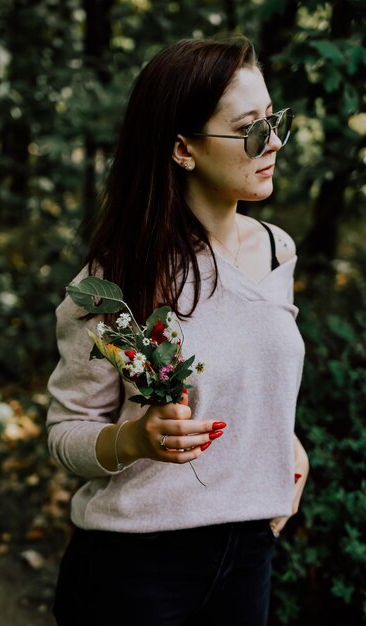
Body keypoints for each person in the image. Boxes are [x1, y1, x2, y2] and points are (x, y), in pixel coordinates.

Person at [46, 34, 309, 626]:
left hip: (248, 561)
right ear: (183, 149)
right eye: (249, 129)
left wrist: (284, 448)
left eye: (274, 119)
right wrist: (136, 441)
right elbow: (67, 435)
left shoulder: (276, 250)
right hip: (135, 571)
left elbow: (256, 374)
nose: (273, 143)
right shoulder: (117, 285)